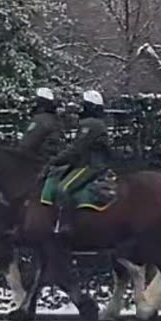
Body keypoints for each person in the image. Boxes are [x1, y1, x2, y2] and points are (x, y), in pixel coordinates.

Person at [41, 89, 113, 239]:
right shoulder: (90, 123)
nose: (81, 107)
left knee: (63, 188)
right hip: (83, 162)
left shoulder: (91, 124)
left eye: (85, 104)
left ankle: (66, 224)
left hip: (91, 165)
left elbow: (76, 149)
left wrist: (56, 160)